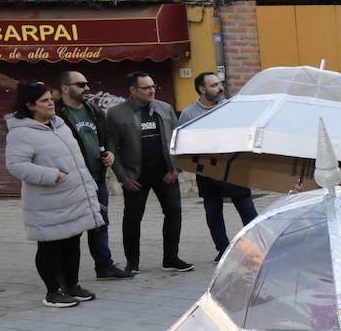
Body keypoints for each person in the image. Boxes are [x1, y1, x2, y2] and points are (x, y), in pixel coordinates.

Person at [5, 82, 104, 307]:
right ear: (30, 105)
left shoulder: (59, 124)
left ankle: (71, 285)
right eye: (45, 101)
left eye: (51, 98)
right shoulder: (21, 133)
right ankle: (53, 292)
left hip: (73, 197)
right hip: (47, 201)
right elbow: (16, 166)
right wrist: (52, 175)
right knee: (50, 246)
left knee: (72, 241)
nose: (51, 103)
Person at [107, 72, 191, 273]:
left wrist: (177, 168)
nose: (152, 90)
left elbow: (179, 138)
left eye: (153, 86)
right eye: (147, 88)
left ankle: (171, 259)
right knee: (132, 220)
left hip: (166, 174)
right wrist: (123, 176)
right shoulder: (117, 113)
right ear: (133, 90)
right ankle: (132, 263)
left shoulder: (164, 108)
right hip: (135, 177)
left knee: (174, 214)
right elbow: (111, 145)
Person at [54, 70, 131, 280]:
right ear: (65, 88)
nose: (87, 88)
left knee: (100, 223)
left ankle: (104, 266)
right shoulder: (56, 113)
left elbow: (106, 136)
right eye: (80, 84)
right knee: (73, 229)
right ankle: (66, 276)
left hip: (96, 179)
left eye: (87, 84)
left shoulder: (93, 109)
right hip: (72, 182)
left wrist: (110, 153)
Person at [179, 72, 258, 260]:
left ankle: (257, 245)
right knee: (213, 212)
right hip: (207, 168)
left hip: (233, 167)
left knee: (247, 209)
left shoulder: (231, 107)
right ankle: (223, 249)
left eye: (219, 84)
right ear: (202, 89)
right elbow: (182, 141)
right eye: (214, 85)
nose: (220, 88)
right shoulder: (189, 114)